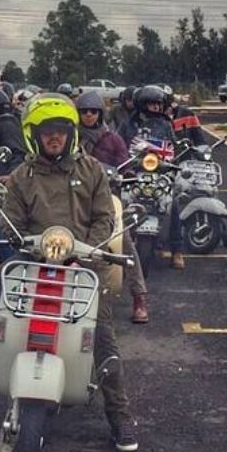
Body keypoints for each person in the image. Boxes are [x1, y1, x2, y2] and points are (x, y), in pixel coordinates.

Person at [2, 94, 139, 452]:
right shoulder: (21, 177)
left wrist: (87, 253)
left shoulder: (91, 170)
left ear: (71, 132)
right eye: (47, 131)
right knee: (12, 324)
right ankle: (23, 389)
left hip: (85, 268)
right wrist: (22, 242)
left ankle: (120, 415)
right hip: (36, 267)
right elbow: (11, 223)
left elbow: (105, 218)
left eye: (61, 130)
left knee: (102, 339)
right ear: (34, 134)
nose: (54, 137)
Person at [76, 91, 149, 323]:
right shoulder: (72, 138)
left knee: (125, 243)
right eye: (84, 111)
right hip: (76, 199)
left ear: (100, 114)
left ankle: (139, 297)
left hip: (108, 200)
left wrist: (127, 174)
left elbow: (125, 164)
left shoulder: (113, 139)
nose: (89, 115)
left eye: (93, 111)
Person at [121, 85, 183, 268]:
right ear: (142, 104)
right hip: (134, 173)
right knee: (116, 201)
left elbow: (174, 147)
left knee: (173, 203)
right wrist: (121, 165)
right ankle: (115, 245)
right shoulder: (128, 124)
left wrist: (175, 161)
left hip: (161, 173)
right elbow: (118, 144)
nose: (156, 107)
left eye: (158, 104)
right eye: (152, 104)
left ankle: (177, 250)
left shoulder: (165, 124)